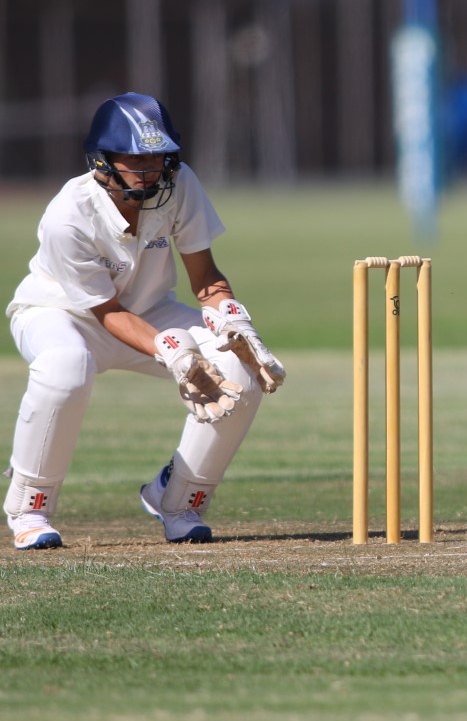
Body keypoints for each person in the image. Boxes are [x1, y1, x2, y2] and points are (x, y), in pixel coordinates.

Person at [5, 93, 285, 549]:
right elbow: (108, 312)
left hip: (148, 309)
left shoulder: (179, 184)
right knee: (65, 367)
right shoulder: (67, 216)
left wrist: (238, 326)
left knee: (238, 368)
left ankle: (177, 500)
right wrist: (174, 353)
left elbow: (206, 278)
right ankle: (29, 506)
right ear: (102, 161)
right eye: (136, 160)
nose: (150, 170)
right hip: (61, 314)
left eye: (158, 158)